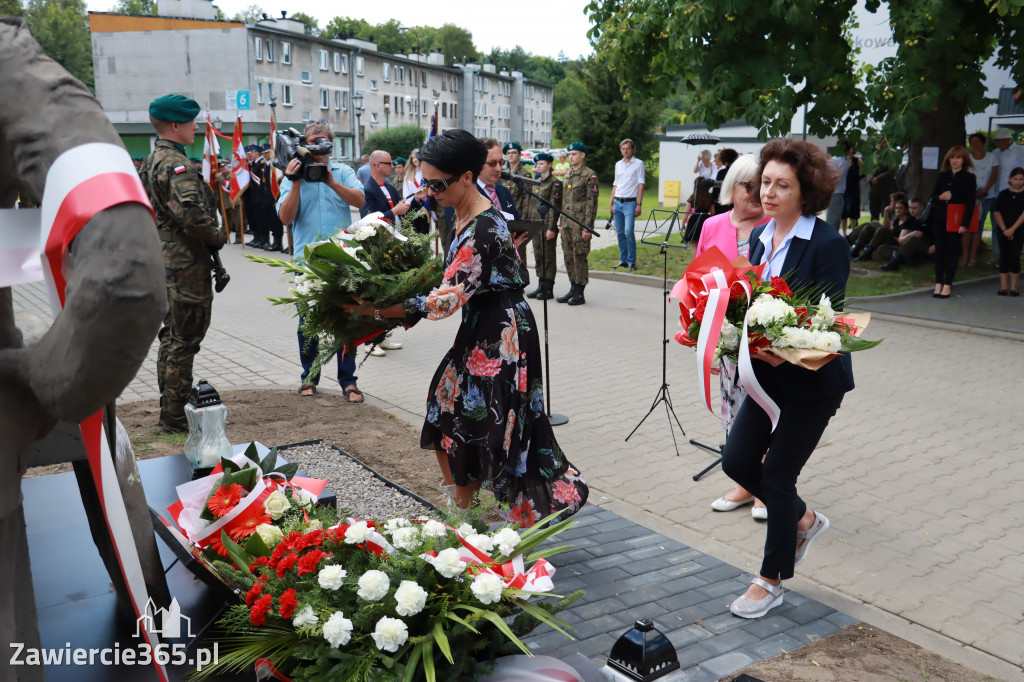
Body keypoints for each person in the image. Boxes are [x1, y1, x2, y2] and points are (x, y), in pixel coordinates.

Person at [345, 129, 589, 521]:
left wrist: (375, 309)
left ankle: (482, 514)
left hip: (502, 336)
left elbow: (444, 302)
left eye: (438, 183)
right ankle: (465, 506)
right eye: (425, 181)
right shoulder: (460, 213)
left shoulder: (483, 229)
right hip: (482, 326)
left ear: (466, 177)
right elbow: (453, 283)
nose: (430, 190)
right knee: (445, 408)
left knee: (484, 425)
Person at [722, 137, 853, 619]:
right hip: (766, 376)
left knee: (776, 476)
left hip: (813, 384)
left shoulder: (828, 244)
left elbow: (829, 323)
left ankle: (770, 580)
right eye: (765, 183)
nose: (769, 193)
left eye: (782, 185)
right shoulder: (759, 236)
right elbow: (753, 299)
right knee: (737, 462)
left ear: (806, 191)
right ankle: (805, 519)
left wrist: (783, 350)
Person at [139, 94, 226, 432]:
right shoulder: (175, 165)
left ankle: (172, 404)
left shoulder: (152, 160)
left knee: (172, 336)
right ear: (175, 125)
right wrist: (217, 236)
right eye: (192, 122)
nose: (196, 127)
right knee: (185, 338)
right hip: (184, 264)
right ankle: (175, 413)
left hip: (167, 259)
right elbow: (192, 218)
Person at [693, 154, 769, 520]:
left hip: (764, 337)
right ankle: (745, 482)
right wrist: (703, 339)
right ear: (731, 188)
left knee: (765, 410)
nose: (755, 193)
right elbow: (698, 281)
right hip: (725, 336)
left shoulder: (773, 226)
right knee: (734, 409)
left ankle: (766, 488)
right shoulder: (712, 226)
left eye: (762, 185)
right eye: (747, 185)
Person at [277, 120, 367, 402]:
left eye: (322, 141)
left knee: (347, 322)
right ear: (304, 142)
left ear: (331, 143)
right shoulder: (291, 175)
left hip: (342, 259)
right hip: (307, 262)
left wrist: (331, 181)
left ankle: (348, 381)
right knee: (308, 324)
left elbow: (359, 200)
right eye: (312, 141)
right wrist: (295, 183)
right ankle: (309, 377)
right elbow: (285, 219)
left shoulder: (343, 171)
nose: (317, 146)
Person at [929, 145, 976, 299]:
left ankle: (948, 284)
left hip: (956, 222)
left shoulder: (969, 178)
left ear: (964, 160)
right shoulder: (942, 176)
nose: (955, 161)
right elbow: (933, 197)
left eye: (958, 157)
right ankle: (938, 283)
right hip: (939, 219)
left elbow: (970, 203)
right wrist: (940, 197)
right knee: (940, 251)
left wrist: (964, 224)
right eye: (952, 157)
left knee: (952, 252)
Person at [556, 141, 599, 306]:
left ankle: (580, 291)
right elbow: (564, 202)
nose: (571, 157)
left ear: (582, 155)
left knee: (579, 256)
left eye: (574, 154)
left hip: (580, 224)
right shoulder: (568, 174)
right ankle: (573, 287)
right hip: (567, 224)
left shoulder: (589, 175)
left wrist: (588, 227)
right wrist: (561, 223)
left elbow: (591, 203)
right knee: (568, 256)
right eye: (570, 154)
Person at [522, 152, 563, 301]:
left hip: (546, 225)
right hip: (535, 224)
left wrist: (552, 227)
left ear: (550, 164)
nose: (538, 166)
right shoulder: (537, 181)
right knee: (539, 255)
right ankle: (541, 284)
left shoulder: (555, 182)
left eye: (541, 163)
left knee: (548, 256)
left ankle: (548, 288)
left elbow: (554, 207)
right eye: (537, 164)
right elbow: (531, 203)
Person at [610, 138, 646, 271]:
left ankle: (632, 261)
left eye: (628, 148)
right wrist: (611, 202)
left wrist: (639, 204)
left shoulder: (638, 164)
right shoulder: (618, 164)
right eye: (623, 149)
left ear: (633, 149)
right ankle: (623, 260)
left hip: (630, 202)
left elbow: (641, 184)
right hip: (618, 201)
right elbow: (615, 184)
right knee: (619, 232)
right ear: (621, 150)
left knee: (628, 231)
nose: (625, 151)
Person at [991, 129, 1024, 265]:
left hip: (1017, 192)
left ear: (1007, 140)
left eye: (1000, 141)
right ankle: (998, 255)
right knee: (997, 225)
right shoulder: (995, 153)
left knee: (1017, 225)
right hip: (1000, 193)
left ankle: (1013, 255)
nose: (998, 143)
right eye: (997, 141)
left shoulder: (1019, 150)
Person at [879, 197, 933, 271]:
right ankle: (907, 261)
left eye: (914, 208)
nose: (911, 210)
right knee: (882, 248)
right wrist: (911, 234)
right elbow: (901, 240)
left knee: (914, 240)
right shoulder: (910, 220)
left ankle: (894, 263)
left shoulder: (930, 220)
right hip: (907, 247)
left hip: (923, 247)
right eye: (910, 207)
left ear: (921, 207)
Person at [968, 132, 998, 267]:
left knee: (990, 226)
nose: (975, 144)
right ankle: (969, 255)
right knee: (973, 226)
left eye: (977, 141)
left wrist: (985, 190)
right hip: (973, 197)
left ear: (983, 142)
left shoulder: (992, 157)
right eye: (972, 142)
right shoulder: (968, 158)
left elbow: (994, 175)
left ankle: (979, 256)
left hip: (990, 196)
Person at [993, 166, 1024, 295]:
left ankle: (1014, 286)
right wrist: (1005, 229)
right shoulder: (1003, 194)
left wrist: (1012, 229)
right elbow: (996, 212)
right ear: (1010, 179)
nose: (1018, 181)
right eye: (1015, 179)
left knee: (1015, 256)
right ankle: (1004, 286)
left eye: (1021, 179)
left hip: (1019, 229)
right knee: (1004, 256)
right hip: (1003, 229)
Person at [850, 191, 903, 262]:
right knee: (869, 226)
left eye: (892, 201)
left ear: (897, 202)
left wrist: (885, 211)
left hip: (894, 239)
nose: (890, 203)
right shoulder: (894, 212)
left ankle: (868, 252)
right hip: (889, 233)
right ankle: (857, 249)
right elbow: (887, 225)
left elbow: (887, 227)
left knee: (879, 228)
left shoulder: (901, 213)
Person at [867, 140, 897, 221]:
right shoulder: (874, 155)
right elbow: (868, 169)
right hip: (873, 189)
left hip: (886, 188)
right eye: (879, 143)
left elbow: (892, 172)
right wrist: (871, 178)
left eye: (884, 142)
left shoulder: (892, 156)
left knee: (887, 212)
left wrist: (878, 179)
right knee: (874, 213)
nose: (881, 145)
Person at [824, 143, 852, 231]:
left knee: (833, 219)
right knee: (833, 221)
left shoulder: (833, 160)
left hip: (834, 192)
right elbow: (836, 178)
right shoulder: (843, 162)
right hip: (837, 193)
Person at [402, 148, 430, 234]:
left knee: (424, 235)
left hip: (425, 207)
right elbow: (406, 193)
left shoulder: (427, 173)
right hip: (413, 207)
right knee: (414, 234)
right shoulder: (408, 175)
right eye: (413, 158)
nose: (415, 160)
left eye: (417, 157)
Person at [683, 177, 716, 243]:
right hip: (705, 221)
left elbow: (686, 212)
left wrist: (682, 224)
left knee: (694, 244)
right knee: (704, 243)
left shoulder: (693, 197)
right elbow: (713, 213)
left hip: (694, 221)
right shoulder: (709, 197)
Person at [839, 146, 862, 236]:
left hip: (854, 189)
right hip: (844, 189)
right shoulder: (841, 161)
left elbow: (862, 173)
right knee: (844, 211)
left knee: (853, 210)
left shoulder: (858, 161)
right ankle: (844, 232)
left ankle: (853, 231)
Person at [713, 148, 739, 213]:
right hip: (735, 202)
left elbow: (716, 190)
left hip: (722, 203)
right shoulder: (738, 172)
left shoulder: (722, 172)